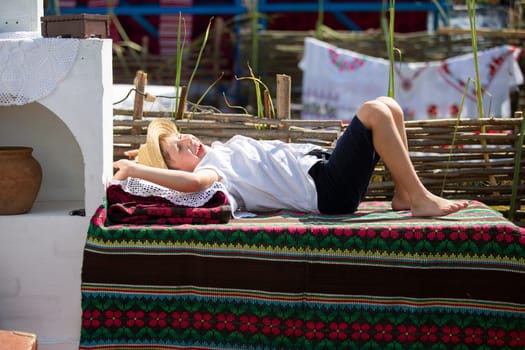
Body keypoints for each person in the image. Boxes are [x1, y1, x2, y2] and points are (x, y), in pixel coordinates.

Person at [113, 96, 468, 217]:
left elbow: (176, 167)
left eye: (182, 136)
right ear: (174, 166)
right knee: (374, 110)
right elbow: (189, 183)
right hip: (327, 193)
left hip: (323, 168)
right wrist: (136, 168)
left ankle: (403, 195)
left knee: (389, 105)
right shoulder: (213, 174)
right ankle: (419, 197)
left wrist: (140, 158)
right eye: (179, 148)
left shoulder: (216, 153)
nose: (188, 140)